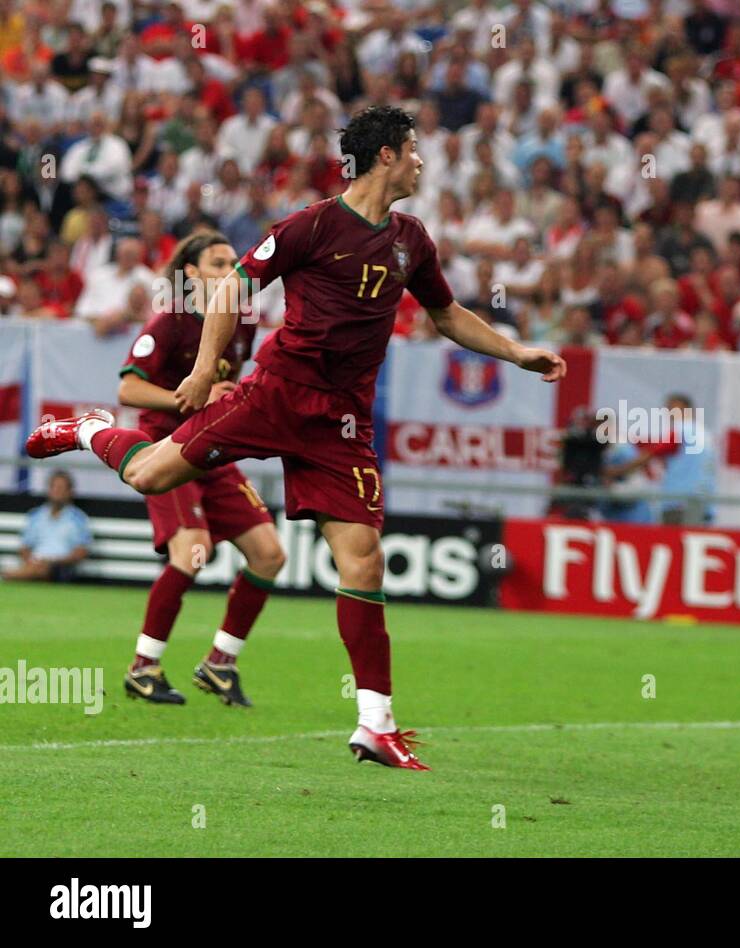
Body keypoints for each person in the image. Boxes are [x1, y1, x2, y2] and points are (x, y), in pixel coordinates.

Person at [26, 106, 566, 770]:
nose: (424, 161)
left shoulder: (412, 240)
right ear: (387, 156)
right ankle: (87, 430)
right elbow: (230, 292)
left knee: (363, 559)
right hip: (278, 393)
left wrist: (516, 352)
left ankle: (375, 723)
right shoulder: (312, 225)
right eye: (415, 150)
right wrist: (200, 374)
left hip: (344, 419)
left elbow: (447, 312)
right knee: (149, 476)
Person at [116, 230, 286, 708]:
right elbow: (129, 389)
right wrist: (186, 397)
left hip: (211, 448)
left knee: (269, 554)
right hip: (164, 448)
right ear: (191, 274)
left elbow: (224, 390)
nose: (231, 270)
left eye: (234, 261)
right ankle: (143, 668)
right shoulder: (170, 320)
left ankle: (220, 663)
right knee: (193, 550)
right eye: (218, 263)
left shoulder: (242, 322)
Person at [2, 471, 92, 582]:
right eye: (54, 487)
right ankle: (20, 574)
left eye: (61, 488)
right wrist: (31, 561)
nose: (57, 492)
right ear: (48, 490)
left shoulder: (78, 518)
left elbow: (81, 552)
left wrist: (53, 562)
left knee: (45, 569)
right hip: (35, 563)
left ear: (70, 492)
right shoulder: (35, 515)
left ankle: (10, 575)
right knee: (40, 568)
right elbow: (24, 547)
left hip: (62, 568)